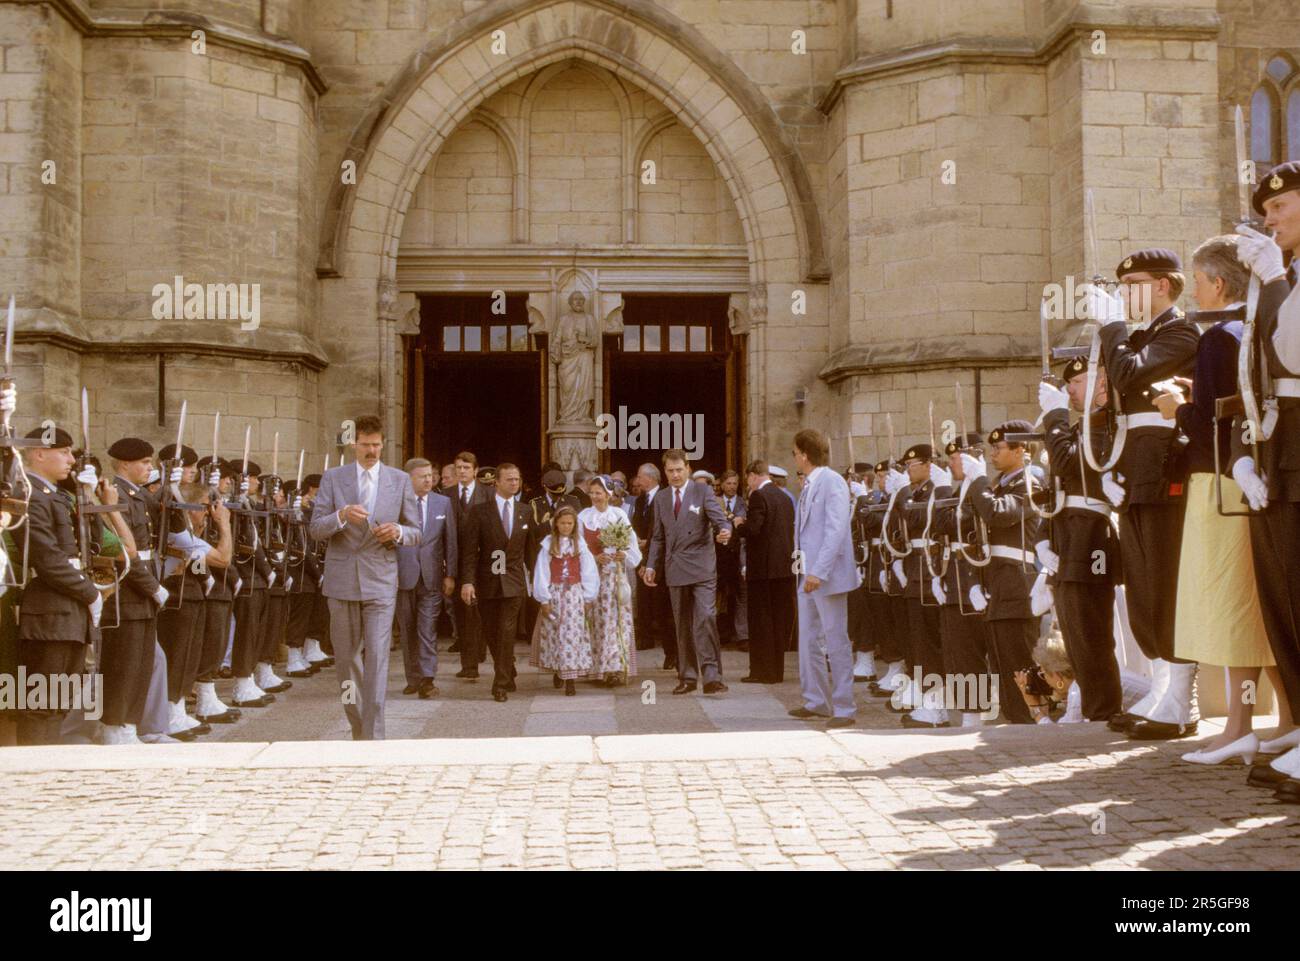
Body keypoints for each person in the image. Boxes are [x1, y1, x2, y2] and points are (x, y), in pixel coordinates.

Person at [1149, 236, 1288, 763]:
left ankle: (1239, 726)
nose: (1197, 292)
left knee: (1230, 606)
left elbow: (1210, 424)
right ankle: (1281, 720)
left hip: (1220, 480)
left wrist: (1176, 408)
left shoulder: (1217, 338)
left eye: (1201, 281)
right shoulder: (1242, 331)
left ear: (1219, 283)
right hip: (1244, 477)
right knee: (1254, 606)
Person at [1097, 249, 1201, 739]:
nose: (1123, 294)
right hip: (1135, 467)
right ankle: (1164, 689)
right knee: (1142, 585)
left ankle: (1183, 699)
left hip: (1164, 469)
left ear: (1163, 285)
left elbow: (1128, 375)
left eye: (1132, 283)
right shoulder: (1140, 337)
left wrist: (1112, 328)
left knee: (1164, 579)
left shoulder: (1180, 332)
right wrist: (1112, 466)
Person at [1228, 161, 1300, 801]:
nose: (1269, 219)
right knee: (1284, 602)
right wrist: (1241, 455)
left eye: (1281, 208)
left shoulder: (1282, 280)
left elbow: (1292, 350)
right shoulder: (1280, 277)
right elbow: (1250, 378)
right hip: (1280, 449)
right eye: (1267, 211)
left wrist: (1274, 282)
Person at [308, 414, 422, 740]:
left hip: (381, 579)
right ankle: (356, 724)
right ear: (353, 444)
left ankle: (374, 733)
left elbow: (416, 533)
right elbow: (315, 529)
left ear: (383, 443)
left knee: (377, 656)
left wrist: (397, 531)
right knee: (345, 661)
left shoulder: (399, 480)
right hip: (342, 578)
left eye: (376, 445)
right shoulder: (333, 478)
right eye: (364, 445)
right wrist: (341, 516)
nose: (371, 451)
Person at [1038, 358, 1123, 723]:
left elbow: (1067, 465)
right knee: (1075, 635)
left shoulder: (1106, 421)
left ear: (1102, 383)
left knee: (1090, 634)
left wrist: (1055, 416)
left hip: (1090, 535)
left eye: (1076, 381)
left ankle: (1103, 711)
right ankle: (1094, 708)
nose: (1068, 389)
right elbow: (1052, 489)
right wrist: (1043, 540)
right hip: (1067, 533)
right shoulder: (1082, 426)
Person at [14, 427, 102, 745]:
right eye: (63, 452)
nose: (71, 459)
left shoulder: (57, 496)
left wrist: (88, 499)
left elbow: (94, 546)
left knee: (59, 703)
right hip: (49, 612)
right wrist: (89, 592)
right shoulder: (31, 496)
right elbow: (47, 559)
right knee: (42, 705)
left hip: (67, 611)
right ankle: (35, 779)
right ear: (39, 453)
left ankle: (47, 769)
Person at [960, 422, 1043, 724]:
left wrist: (979, 481)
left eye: (999, 448)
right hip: (996, 585)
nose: (993, 453)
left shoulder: (1031, 484)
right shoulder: (999, 485)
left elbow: (999, 514)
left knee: (1020, 663)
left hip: (1017, 585)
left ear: (1021, 450)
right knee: (1003, 666)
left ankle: (1032, 723)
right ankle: (1017, 723)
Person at [785, 429, 859, 727]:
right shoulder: (810, 485)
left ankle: (844, 706)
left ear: (804, 454)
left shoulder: (832, 482)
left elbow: (836, 529)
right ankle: (815, 699)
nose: (794, 458)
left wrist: (819, 570)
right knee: (809, 639)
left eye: (794, 453)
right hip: (806, 573)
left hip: (825, 575)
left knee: (835, 639)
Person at [644, 448, 732, 695]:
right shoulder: (661, 499)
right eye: (670, 471)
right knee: (681, 624)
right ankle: (688, 676)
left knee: (705, 617)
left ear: (688, 468)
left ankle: (712, 676)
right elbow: (658, 538)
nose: (675, 475)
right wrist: (651, 565)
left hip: (702, 567)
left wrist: (725, 531)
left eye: (679, 470)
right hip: (675, 568)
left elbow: (719, 519)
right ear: (665, 471)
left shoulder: (702, 491)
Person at [97, 437, 169, 743]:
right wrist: (152, 586)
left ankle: (128, 724)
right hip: (127, 589)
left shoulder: (137, 495)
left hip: (143, 588)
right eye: (145, 462)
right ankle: (113, 725)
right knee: (123, 664)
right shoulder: (115, 496)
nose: (149, 468)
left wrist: (173, 484)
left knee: (140, 663)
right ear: (125, 463)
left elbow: (167, 512)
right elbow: (126, 552)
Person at [931, 435, 995, 728]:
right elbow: (939, 527)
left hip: (977, 580)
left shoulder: (983, 489)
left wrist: (942, 489)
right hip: (955, 580)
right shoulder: (964, 491)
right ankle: (970, 712)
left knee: (978, 652)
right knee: (960, 651)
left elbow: (957, 524)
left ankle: (985, 711)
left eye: (955, 458)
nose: (951, 463)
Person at [459, 463, 529, 703]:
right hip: (487, 581)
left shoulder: (525, 511)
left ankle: (500, 684)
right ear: (496, 482)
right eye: (509, 479)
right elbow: (469, 552)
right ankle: (507, 667)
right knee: (491, 632)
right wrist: (467, 582)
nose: (513, 483)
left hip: (514, 582)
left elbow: (531, 553)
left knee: (507, 631)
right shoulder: (480, 512)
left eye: (517, 479)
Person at [396, 457, 456, 700]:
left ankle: (428, 678)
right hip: (403, 577)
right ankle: (414, 678)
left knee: (427, 628)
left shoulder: (443, 503)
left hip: (432, 577)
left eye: (431, 475)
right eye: (423, 476)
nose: (429, 480)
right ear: (409, 479)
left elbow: (450, 541)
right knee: (407, 629)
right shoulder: (396, 504)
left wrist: (450, 574)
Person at [734, 459, 795, 684]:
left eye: (748, 479)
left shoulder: (759, 496)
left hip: (763, 570)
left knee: (761, 622)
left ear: (753, 475)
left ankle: (762, 672)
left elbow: (754, 529)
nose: (747, 484)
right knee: (778, 622)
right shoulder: (785, 496)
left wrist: (739, 524)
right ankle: (776, 671)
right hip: (784, 569)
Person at [531, 505, 599, 695]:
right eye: (563, 523)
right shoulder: (548, 545)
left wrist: (588, 596)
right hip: (555, 593)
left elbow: (589, 571)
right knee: (556, 635)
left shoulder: (580, 545)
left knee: (572, 635)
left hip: (574, 595)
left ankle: (571, 679)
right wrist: (543, 599)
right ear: (556, 524)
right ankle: (558, 669)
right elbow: (542, 572)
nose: (566, 526)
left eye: (570, 523)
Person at [579, 475, 640, 685]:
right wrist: (594, 558)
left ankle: (615, 668)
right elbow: (577, 547)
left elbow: (632, 545)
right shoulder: (583, 516)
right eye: (592, 492)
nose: (595, 496)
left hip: (614, 577)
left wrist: (624, 554)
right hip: (591, 578)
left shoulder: (619, 515)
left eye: (599, 492)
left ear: (608, 494)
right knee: (595, 622)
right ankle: (597, 669)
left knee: (614, 622)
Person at [442, 450, 491, 672]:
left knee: (482, 610)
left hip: (484, 562)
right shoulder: (446, 495)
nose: (461, 472)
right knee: (463, 613)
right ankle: (469, 664)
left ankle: (480, 649)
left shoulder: (488, 494)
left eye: (466, 468)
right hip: (457, 562)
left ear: (475, 470)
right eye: (458, 468)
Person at [631, 462, 674, 668]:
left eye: (640, 476)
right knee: (644, 602)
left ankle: (671, 652)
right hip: (641, 558)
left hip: (661, 561)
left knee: (664, 608)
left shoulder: (665, 497)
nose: (637, 480)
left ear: (650, 478)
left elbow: (666, 531)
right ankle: (645, 637)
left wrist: (649, 543)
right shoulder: (640, 501)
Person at [715, 469, 748, 650]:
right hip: (720, 556)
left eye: (735, 483)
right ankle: (721, 634)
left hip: (738, 555)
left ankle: (742, 635)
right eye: (729, 483)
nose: (732, 487)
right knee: (720, 596)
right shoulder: (715, 502)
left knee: (741, 595)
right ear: (722, 484)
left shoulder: (744, 503)